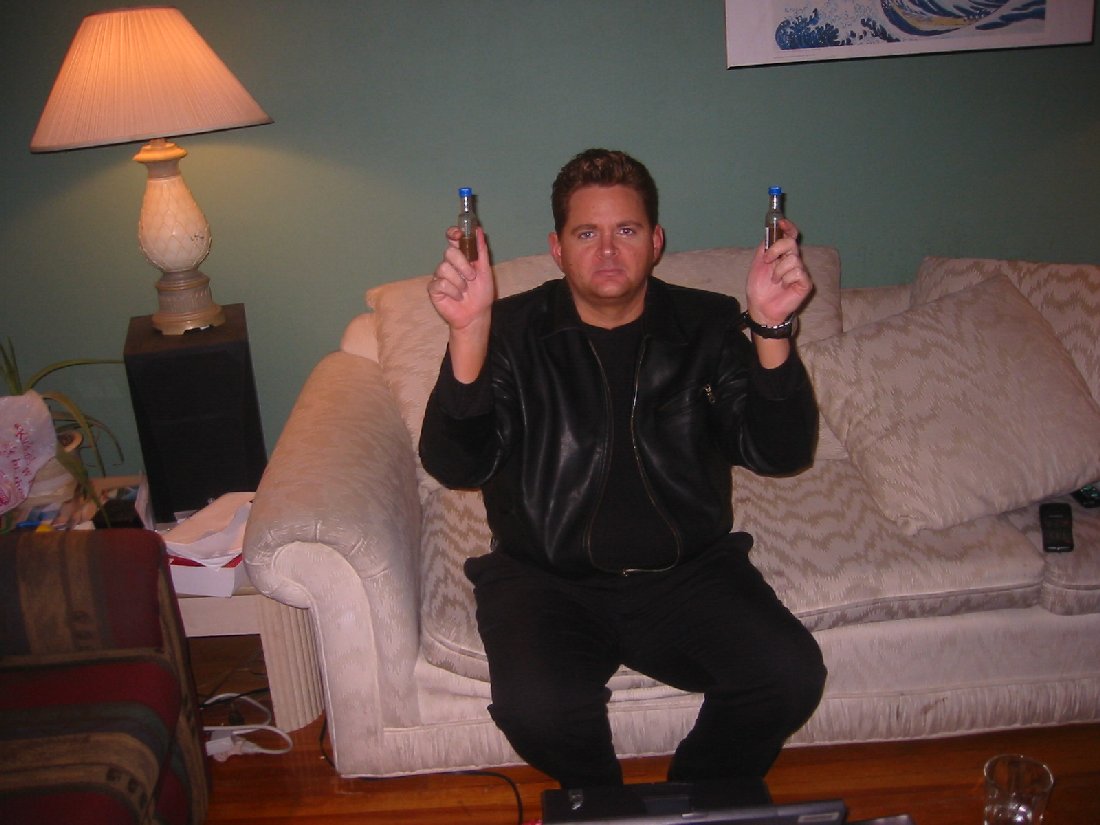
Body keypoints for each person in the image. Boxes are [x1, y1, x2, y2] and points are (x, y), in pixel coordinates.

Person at [419, 148, 826, 790]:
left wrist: (771, 327)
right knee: (537, 712)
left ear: (656, 242)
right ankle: (604, 805)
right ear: (557, 248)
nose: (608, 250)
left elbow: (778, 453)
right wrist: (468, 334)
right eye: (587, 233)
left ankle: (697, 797)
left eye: (626, 230)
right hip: (544, 579)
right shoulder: (510, 331)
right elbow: (457, 464)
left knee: (789, 674)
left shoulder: (706, 323)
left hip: (687, 575)